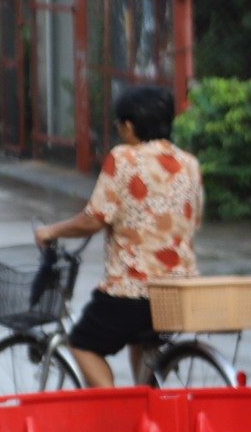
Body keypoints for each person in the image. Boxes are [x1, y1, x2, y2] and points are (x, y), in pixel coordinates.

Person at [33, 85, 202, 388]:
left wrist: (52, 231)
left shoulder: (123, 158)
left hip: (133, 291)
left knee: (83, 342)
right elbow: (194, 218)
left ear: (129, 125)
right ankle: (143, 411)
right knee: (142, 341)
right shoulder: (189, 163)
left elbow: (93, 219)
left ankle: (117, 411)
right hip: (180, 291)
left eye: (119, 125)